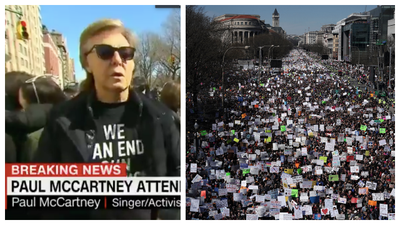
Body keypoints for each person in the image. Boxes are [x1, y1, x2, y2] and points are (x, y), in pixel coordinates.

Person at [33, 19, 180, 220]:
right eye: (105, 52)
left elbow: (179, 179)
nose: (118, 60)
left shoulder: (160, 116)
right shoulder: (63, 121)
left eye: (126, 53)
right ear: (87, 63)